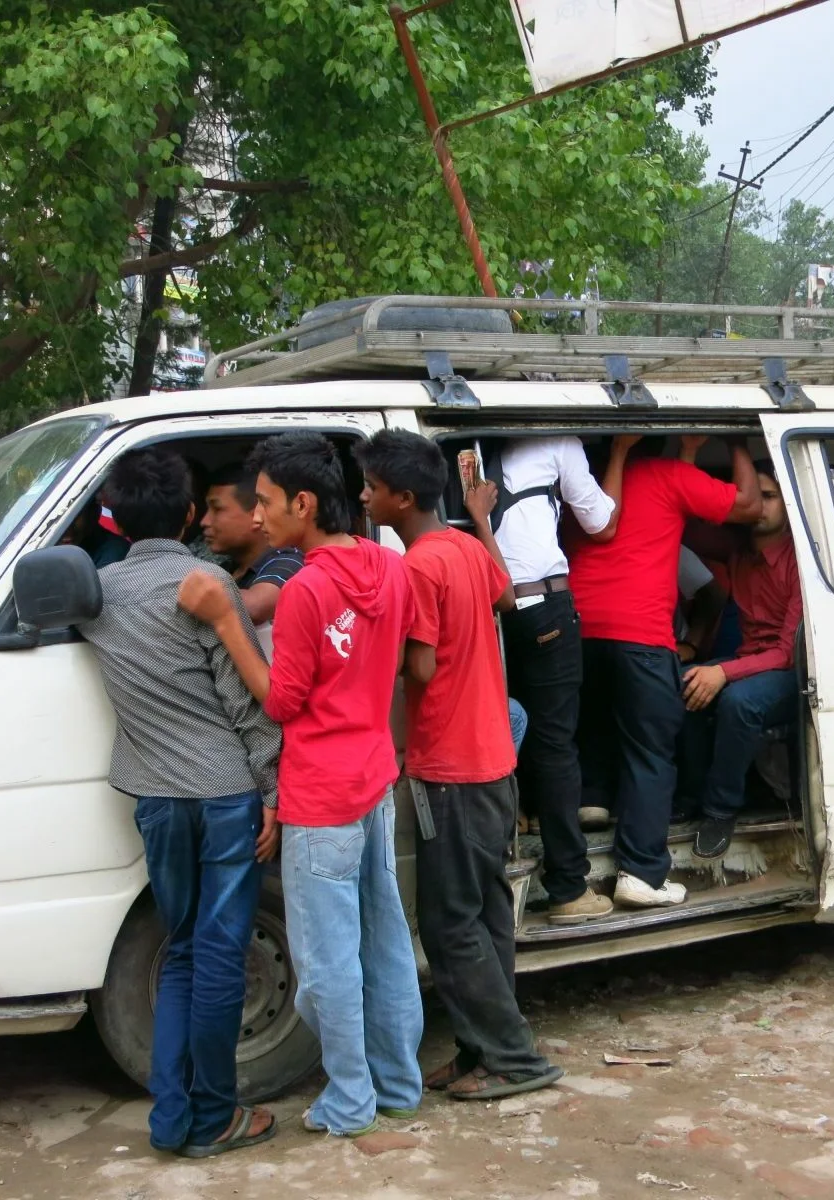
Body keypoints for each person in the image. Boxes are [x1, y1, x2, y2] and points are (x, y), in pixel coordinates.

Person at [176, 432, 423, 1138]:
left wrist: (227, 619)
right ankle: (398, 1082)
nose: (256, 518)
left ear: (304, 504)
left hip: (320, 794)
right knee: (385, 939)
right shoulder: (387, 565)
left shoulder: (309, 588)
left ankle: (350, 1098)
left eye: (265, 503)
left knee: (324, 961)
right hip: (376, 777)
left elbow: (281, 703)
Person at [77, 448, 280, 1158]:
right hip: (225, 795)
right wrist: (275, 795)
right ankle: (216, 1116)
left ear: (115, 519)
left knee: (183, 954)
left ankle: (172, 1121)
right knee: (221, 956)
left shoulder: (97, 598)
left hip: (158, 801)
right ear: (190, 513)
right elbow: (247, 704)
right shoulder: (206, 584)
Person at [356, 429, 564, 1102]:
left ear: (402, 497)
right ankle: (482, 1049)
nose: (363, 497)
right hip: (494, 759)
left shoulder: (417, 566)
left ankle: (515, 1059)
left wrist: (361, 652)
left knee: (450, 923)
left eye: (371, 487)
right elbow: (504, 600)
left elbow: (418, 664)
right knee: (486, 917)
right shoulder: (467, 549)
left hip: (450, 764)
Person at [568, 436, 762, 909]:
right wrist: (741, 435)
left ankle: (593, 798)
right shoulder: (668, 477)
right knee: (651, 751)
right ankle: (640, 871)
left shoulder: (585, 482)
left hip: (579, 626)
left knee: (593, 722)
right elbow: (749, 507)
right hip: (642, 635)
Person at [481, 434, 637, 925]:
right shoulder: (559, 441)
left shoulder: (476, 448)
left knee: (509, 715)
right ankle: (569, 886)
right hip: (545, 603)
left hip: (496, 611)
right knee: (557, 744)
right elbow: (602, 523)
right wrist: (619, 453)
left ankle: (522, 814)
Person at [681, 462, 804, 859]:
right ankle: (690, 796)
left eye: (768, 498)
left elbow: (786, 654)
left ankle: (720, 810)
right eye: (755, 497)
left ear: (787, 504)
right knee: (681, 681)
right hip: (748, 659)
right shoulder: (741, 554)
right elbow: (686, 527)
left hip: (792, 673)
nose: (759, 507)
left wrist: (723, 672)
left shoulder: (799, 561)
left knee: (739, 701)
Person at [201, 465, 303, 623]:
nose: (205, 521)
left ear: (256, 513)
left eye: (217, 509)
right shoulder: (228, 568)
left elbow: (255, 607)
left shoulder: (288, 561)